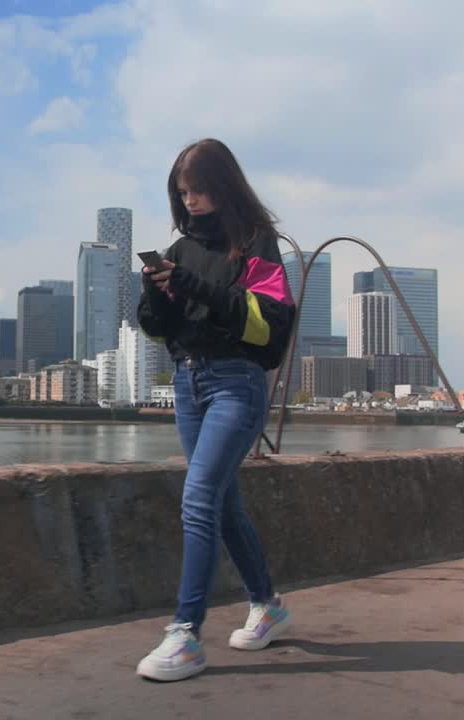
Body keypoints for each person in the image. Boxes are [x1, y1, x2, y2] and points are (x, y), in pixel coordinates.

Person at [134, 138, 297, 682]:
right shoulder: (179, 250)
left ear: (223, 186)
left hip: (236, 384)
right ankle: (267, 605)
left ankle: (185, 634)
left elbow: (266, 322)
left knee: (199, 496)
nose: (192, 201)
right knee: (223, 503)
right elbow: (162, 329)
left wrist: (187, 283)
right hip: (188, 383)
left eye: (199, 189)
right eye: (183, 192)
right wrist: (158, 291)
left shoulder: (255, 244)